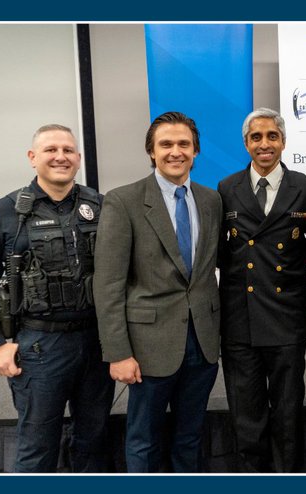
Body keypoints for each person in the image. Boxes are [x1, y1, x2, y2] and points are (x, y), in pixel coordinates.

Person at [0, 124, 114, 472]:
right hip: (40, 347)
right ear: (33, 158)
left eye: (68, 150)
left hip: (96, 344)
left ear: (78, 158)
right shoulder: (4, 212)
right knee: (37, 446)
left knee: (94, 440)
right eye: (50, 150)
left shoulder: (101, 206)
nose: (60, 156)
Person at [94, 112, 222, 473]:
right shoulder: (124, 201)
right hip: (147, 346)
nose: (175, 152)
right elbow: (108, 284)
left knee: (190, 435)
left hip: (202, 343)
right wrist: (118, 353)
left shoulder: (211, 200)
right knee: (143, 438)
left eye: (184, 144)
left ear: (196, 150)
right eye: (166, 144)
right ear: (151, 152)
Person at [216, 108, 306, 472]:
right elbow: (219, 254)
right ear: (246, 143)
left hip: (285, 318)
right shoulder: (227, 189)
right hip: (239, 321)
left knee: (289, 415)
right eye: (256, 137)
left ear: (284, 141)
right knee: (247, 417)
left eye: (272, 136)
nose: (265, 144)